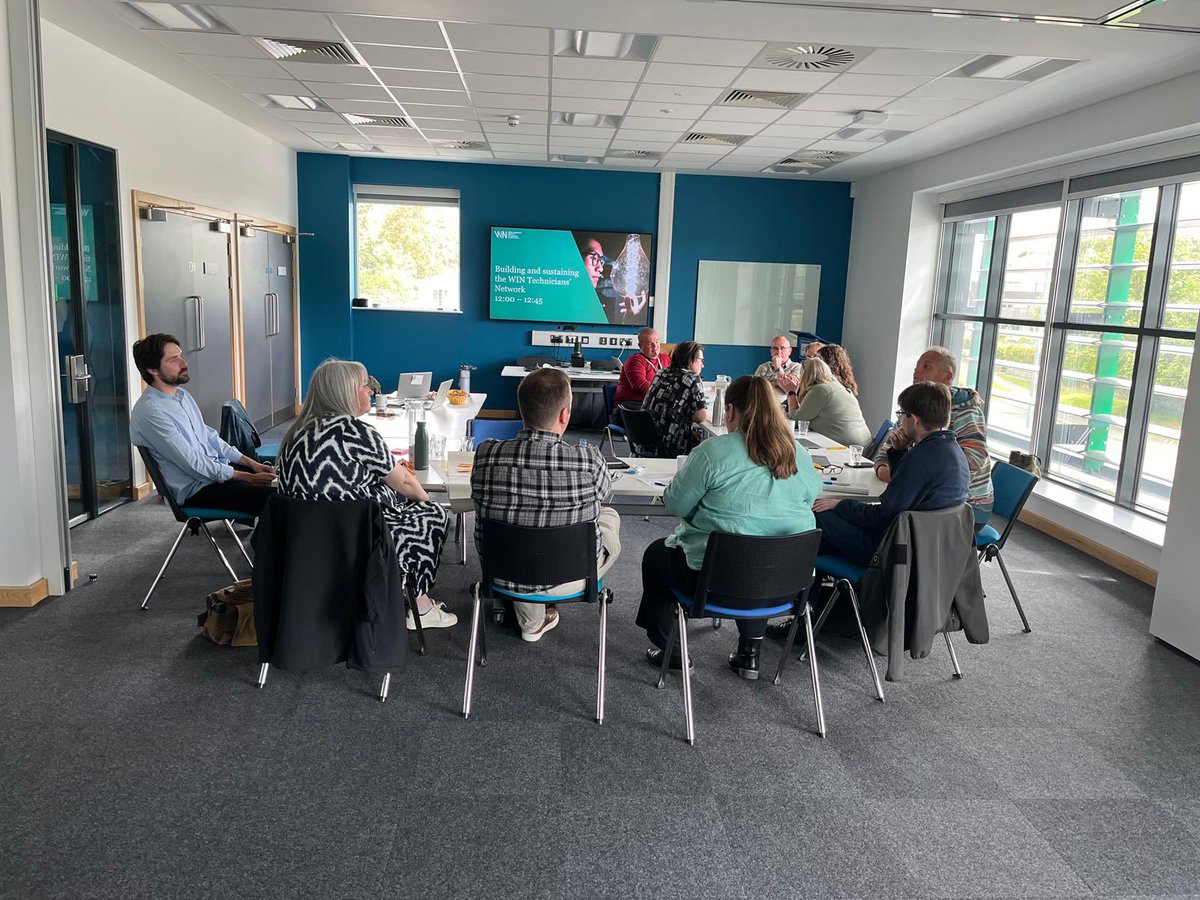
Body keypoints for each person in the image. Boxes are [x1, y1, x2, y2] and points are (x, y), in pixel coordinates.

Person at [637, 375, 823, 679]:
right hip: (787, 585)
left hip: (714, 583)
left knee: (657, 554)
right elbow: (811, 496)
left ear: (731, 410)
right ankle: (750, 653)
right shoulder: (798, 454)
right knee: (761, 554)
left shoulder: (713, 452)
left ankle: (671, 651)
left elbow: (676, 504)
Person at [275, 359, 454, 631]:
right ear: (344, 392)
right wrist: (426, 502)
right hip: (353, 542)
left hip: (300, 544)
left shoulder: (294, 434)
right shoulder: (356, 432)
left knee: (388, 495)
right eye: (364, 385)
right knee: (433, 514)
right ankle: (420, 603)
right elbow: (405, 482)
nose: (371, 390)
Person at [471, 368, 622, 642]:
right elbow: (604, 492)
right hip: (574, 574)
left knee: (522, 529)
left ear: (522, 409)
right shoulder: (588, 459)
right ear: (565, 414)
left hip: (503, 570)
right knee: (608, 515)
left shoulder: (486, 454)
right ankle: (537, 612)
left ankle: (532, 620)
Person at [815, 381, 968, 566]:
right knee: (834, 524)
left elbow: (881, 517)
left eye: (902, 414)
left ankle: (817, 587)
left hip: (894, 551)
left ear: (914, 419)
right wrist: (898, 452)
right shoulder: (952, 449)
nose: (901, 421)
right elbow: (909, 486)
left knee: (820, 515)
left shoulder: (920, 458)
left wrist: (840, 504)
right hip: (930, 548)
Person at [129, 333, 274, 516]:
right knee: (277, 498)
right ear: (152, 370)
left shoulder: (182, 396)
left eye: (181, 356)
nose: (184, 363)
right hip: (196, 489)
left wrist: (250, 463)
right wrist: (249, 478)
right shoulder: (151, 413)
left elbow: (208, 436)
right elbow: (193, 464)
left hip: (213, 474)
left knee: (284, 480)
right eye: (174, 360)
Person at [873, 346, 993, 525]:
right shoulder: (913, 404)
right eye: (916, 367)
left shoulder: (966, 410)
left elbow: (972, 461)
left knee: (884, 526)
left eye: (926, 367)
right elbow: (888, 448)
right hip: (919, 493)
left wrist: (908, 477)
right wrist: (885, 469)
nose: (916, 372)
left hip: (964, 509)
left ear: (948, 377)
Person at [785, 357, 872, 446]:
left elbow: (795, 421)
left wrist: (791, 392)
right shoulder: (835, 386)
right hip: (863, 444)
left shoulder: (820, 390)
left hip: (849, 448)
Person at [642, 340, 708, 456]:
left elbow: (665, 409)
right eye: (701, 360)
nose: (703, 365)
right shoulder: (692, 378)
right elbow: (701, 416)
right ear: (690, 361)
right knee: (704, 443)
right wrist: (685, 416)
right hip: (671, 445)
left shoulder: (661, 373)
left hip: (646, 439)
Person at [613, 326, 670, 410]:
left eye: (657, 342)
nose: (655, 347)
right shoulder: (635, 360)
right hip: (630, 405)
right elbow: (641, 387)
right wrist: (666, 393)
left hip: (651, 402)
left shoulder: (665, 359)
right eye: (650, 344)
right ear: (640, 346)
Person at [753, 335, 803, 400]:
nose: (779, 352)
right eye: (775, 348)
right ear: (771, 351)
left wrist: (778, 367)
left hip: (784, 406)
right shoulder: (763, 367)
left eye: (783, 348)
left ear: (789, 351)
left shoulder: (797, 367)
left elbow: (788, 387)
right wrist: (776, 383)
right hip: (761, 402)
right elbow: (754, 387)